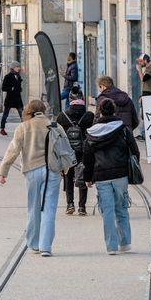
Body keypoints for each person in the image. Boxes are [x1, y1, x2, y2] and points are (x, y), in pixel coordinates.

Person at [0, 99, 61, 257]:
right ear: (43, 110)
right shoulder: (54, 126)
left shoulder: (23, 127)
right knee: (49, 208)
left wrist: (3, 171)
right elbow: (64, 148)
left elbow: (13, 150)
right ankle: (46, 246)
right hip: (52, 170)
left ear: (28, 111)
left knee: (33, 208)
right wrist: (65, 168)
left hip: (32, 170)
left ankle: (34, 243)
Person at [83, 98, 140, 255]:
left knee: (107, 211)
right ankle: (125, 242)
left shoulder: (91, 132)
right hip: (120, 174)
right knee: (121, 208)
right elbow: (135, 151)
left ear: (100, 111)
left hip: (101, 176)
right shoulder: (122, 129)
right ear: (114, 111)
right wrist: (131, 171)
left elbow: (87, 158)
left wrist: (88, 177)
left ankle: (111, 246)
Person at [56, 86, 94, 216]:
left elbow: (57, 137)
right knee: (82, 176)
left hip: (68, 152)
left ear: (69, 99)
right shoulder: (89, 116)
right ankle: (82, 207)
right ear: (82, 99)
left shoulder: (62, 116)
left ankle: (70, 204)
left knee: (68, 176)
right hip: (84, 151)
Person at [134, 53, 151, 141]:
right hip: (146, 93)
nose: (139, 63)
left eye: (141, 61)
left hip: (149, 93)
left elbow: (144, 79)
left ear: (146, 60)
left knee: (145, 114)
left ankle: (143, 134)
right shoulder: (147, 69)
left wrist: (139, 70)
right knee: (144, 114)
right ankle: (143, 133)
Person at [0, 61, 24, 136]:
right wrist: (11, 89)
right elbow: (3, 88)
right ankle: (2, 129)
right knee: (5, 114)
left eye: (19, 67)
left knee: (22, 114)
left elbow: (18, 86)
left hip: (17, 99)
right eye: (17, 67)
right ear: (13, 68)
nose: (19, 68)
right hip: (10, 99)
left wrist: (20, 89)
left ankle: (25, 129)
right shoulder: (8, 76)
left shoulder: (18, 76)